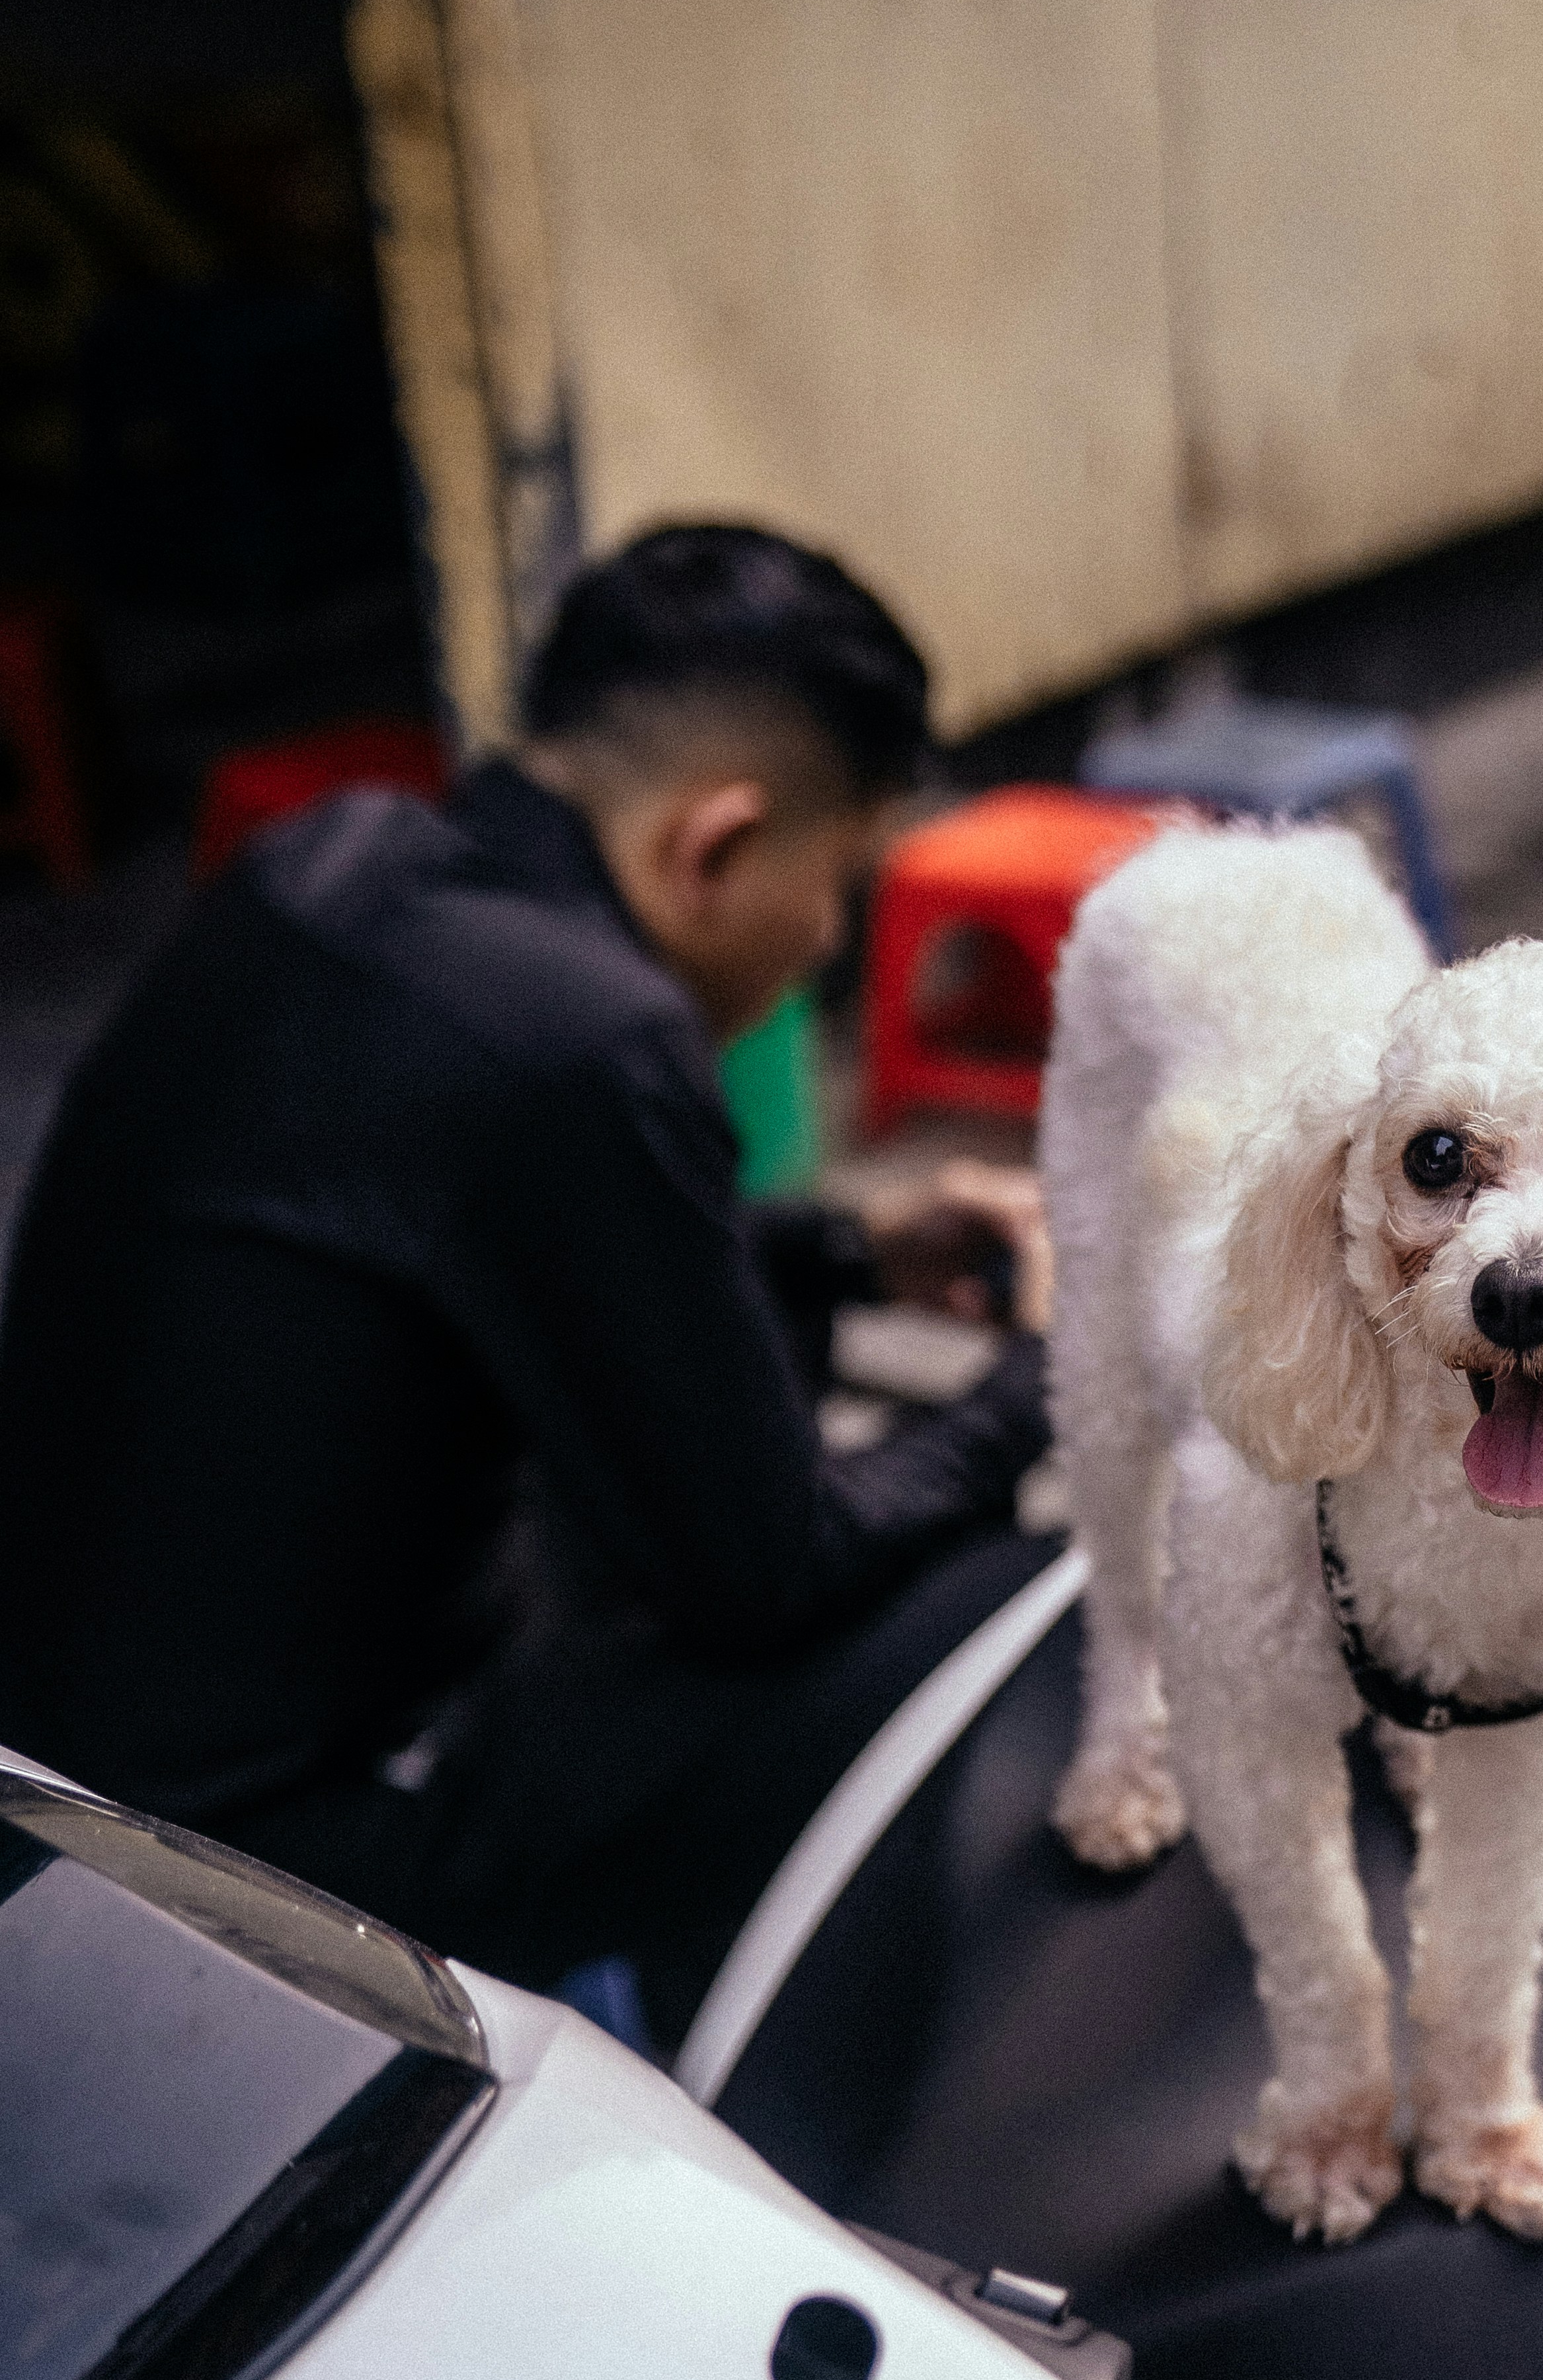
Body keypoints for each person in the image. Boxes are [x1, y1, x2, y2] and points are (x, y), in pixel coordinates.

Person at [0, 521, 1055, 2039]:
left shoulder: (334, 865)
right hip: (265, 1871)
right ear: (716, 846)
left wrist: (849, 1245)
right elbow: (770, 1574)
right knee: (975, 1605)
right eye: (838, 886)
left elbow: (477, 1246)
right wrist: (1037, 1389)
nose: (828, 940)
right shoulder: (590, 1040)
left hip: (67, 1759)